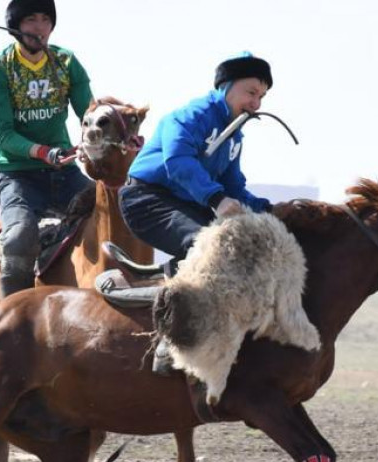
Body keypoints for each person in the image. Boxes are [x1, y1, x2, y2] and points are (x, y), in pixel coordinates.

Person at [118, 52, 275, 372]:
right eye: (251, 92)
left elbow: (235, 187)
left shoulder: (234, 138)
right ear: (226, 86)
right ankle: (168, 338)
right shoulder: (191, 115)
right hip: (146, 199)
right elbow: (177, 163)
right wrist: (216, 199)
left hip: (187, 203)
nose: (256, 104)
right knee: (202, 245)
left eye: (261, 96)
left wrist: (272, 210)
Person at [0, 0, 94, 297]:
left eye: (46, 20)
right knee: (19, 238)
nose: (40, 27)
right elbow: (4, 135)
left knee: (116, 210)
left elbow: (89, 115)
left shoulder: (67, 62)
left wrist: (112, 130)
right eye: (31, 19)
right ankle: (11, 317)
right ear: (15, 26)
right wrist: (44, 152)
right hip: (18, 176)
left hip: (65, 174)